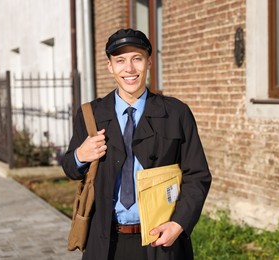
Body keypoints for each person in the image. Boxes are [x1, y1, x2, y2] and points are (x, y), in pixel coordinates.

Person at [62, 28, 212, 260]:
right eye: (120, 60)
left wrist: (179, 224)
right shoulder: (90, 114)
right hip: (105, 243)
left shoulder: (176, 113)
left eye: (137, 59)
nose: (129, 68)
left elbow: (198, 175)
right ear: (110, 66)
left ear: (149, 62)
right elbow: (70, 169)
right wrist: (80, 155)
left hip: (161, 241)